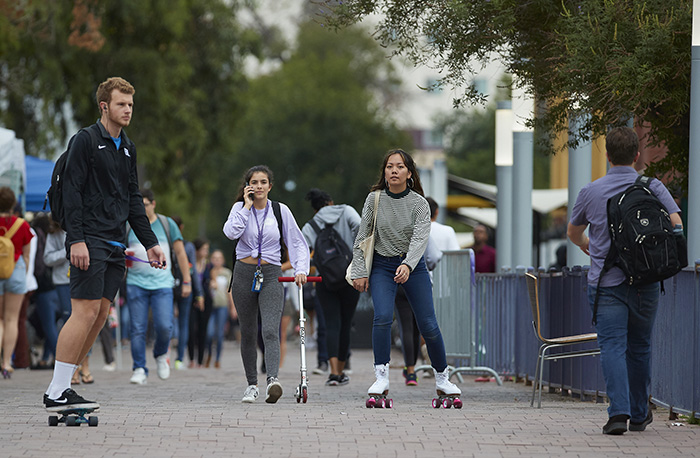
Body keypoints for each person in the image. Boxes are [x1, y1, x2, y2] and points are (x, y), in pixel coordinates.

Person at [43, 77, 166, 411]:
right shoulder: (85, 140)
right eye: (121, 104)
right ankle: (56, 390)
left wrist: (150, 243)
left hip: (115, 242)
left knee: (100, 314)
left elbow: (132, 199)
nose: (127, 110)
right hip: (89, 239)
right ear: (104, 106)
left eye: (130, 105)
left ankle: (63, 386)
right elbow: (71, 193)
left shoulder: (127, 146)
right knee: (83, 311)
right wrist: (77, 239)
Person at [567, 126, 681, 435]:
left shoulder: (591, 191)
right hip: (645, 280)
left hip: (607, 284)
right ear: (637, 155)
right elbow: (675, 222)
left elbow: (573, 232)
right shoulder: (653, 186)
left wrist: (586, 244)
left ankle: (618, 413)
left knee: (613, 347)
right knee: (640, 347)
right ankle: (640, 413)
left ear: (606, 156)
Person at [349, 149, 461, 403]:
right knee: (382, 317)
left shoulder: (419, 203)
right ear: (384, 172)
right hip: (381, 267)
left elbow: (421, 237)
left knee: (428, 324)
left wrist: (409, 265)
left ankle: (443, 378)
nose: (394, 171)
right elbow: (362, 236)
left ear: (409, 173)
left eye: (400, 167)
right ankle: (381, 376)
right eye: (390, 166)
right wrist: (359, 271)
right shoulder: (374, 199)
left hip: (414, 268)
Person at [223, 165, 310, 404]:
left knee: (271, 329)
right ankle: (252, 384)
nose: (259, 186)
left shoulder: (280, 211)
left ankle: (273, 380)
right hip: (243, 273)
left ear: (270, 186)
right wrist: (246, 206)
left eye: (263, 182)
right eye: (254, 182)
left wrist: (300, 269)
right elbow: (230, 233)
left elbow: (297, 242)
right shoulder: (240, 209)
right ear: (247, 186)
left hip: (271, 273)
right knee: (248, 331)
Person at [125, 189, 192, 385]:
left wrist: (186, 281)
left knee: (164, 326)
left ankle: (161, 354)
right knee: (137, 328)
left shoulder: (167, 224)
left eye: (144, 204)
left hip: (162, 283)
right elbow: (121, 250)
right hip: (135, 283)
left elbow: (180, 254)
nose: (141, 208)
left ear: (153, 204)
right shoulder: (129, 225)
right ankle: (139, 368)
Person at [301, 188, 361, 386]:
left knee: (330, 324)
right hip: (350, 276)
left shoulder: (311, 225)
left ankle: (333, 372)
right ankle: (342, 371)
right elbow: (362, 228)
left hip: (324, 280)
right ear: (331, 201)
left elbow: (302, 249)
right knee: (345, 323)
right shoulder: (347, 211)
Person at [0, 187, 33, 378]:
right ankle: (7, 363)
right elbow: (27, 255)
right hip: (16, 270)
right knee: (12, 319)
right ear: (13, 203)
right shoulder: (21, 224)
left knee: (0, 319)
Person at [171, 216, 204, 370]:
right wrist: (199, 293)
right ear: (182, 227)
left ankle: (165, 355)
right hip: (185, 287)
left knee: (168, 321)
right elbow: (193, 272)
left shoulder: (166, 243)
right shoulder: (188, 246)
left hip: (168, 286)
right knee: (183, 323)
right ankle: (179, 359)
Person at [205, 249, 236, 369]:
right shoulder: (208, 272)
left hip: (222, 306)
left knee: (219, 334)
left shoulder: (227, 273)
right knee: (209, 333)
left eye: (219, 258)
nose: (216, 261)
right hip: (211, 306)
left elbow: (230, 291)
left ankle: (217, 358)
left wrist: (232, 307)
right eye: (214, 258)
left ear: (222, 260)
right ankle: (208, 354)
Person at [188, 238, 212, 368]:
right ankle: (191, 358)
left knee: (203, 330)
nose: (205, 252)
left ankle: (200, 360)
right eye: (203, 249)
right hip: (192, 298)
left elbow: (211, 279)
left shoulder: (208, 264)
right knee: (191, 329)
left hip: (206, 299)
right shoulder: (190, 264)